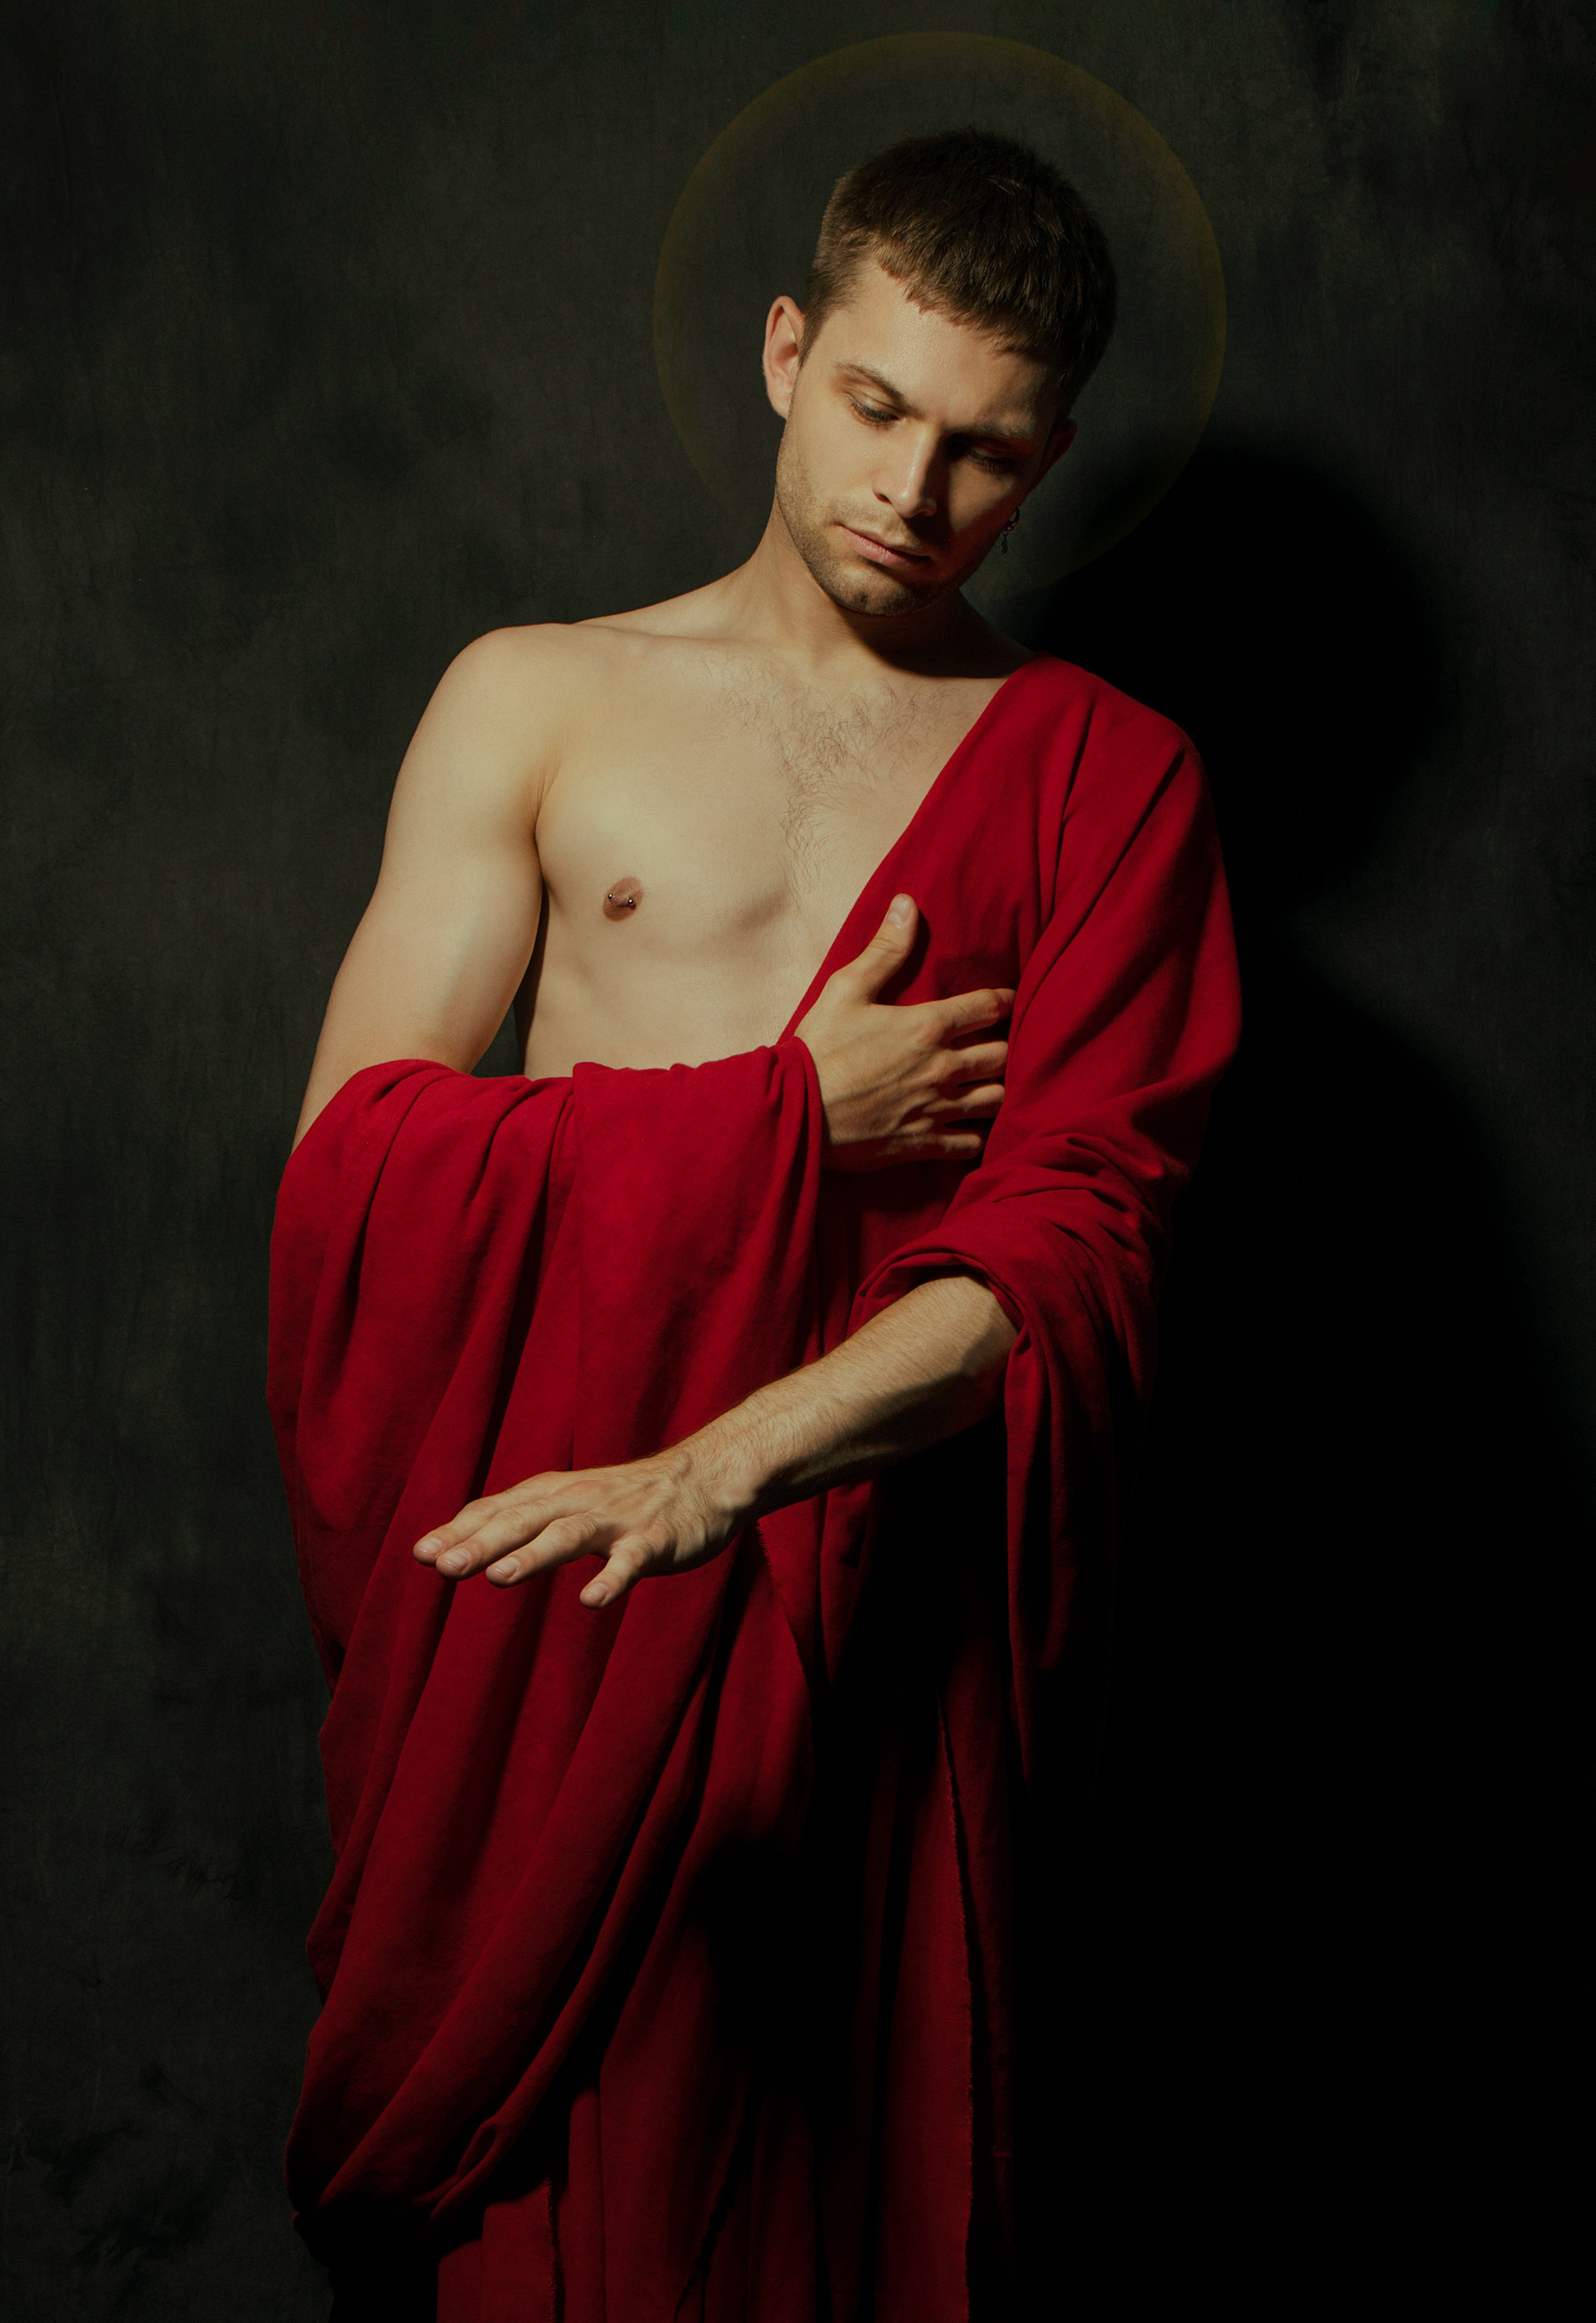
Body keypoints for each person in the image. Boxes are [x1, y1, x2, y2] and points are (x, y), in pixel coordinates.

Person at [269, 130, 1240, 2321]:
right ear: (790, 351)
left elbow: (1074, 1256)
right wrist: (786, 1118)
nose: (914, 486)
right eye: (879, 405)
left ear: (1049, 462)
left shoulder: (1111, 780)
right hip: (559, 1614)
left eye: (987, 451)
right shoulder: (538, 695)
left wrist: (726, 1467)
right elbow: (354, 1168)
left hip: (874, 1628)